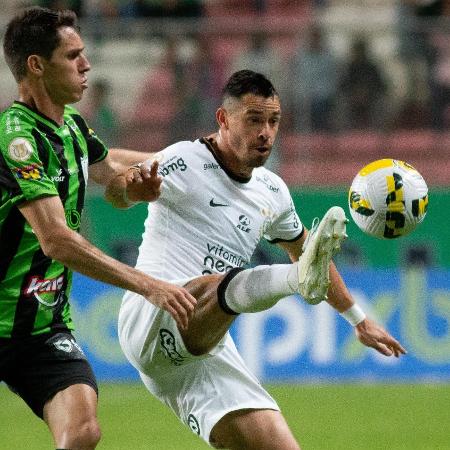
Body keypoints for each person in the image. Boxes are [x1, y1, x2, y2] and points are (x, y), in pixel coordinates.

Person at [116, 70, 406, 450]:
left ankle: (296, 277)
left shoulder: (272, 190)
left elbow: (307, 249)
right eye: (254, 120)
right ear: (223, 119)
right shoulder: (182, 160)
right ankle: (293, 280)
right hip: (153, 312)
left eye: (273, 121)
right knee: (229, 281)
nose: (266, 132)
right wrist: (130, 193)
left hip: (205, 349)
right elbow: (119, 192)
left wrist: (359, 319)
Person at [0, 7, 196, 450]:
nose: (86, 65)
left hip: (40, 328)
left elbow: (113, 170)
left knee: (84, 431)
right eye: (73, 56)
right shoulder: (16, 139)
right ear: (36, 65)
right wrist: (148, 285)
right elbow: (56, 241)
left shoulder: (70, 127)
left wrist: (198, 165)